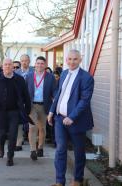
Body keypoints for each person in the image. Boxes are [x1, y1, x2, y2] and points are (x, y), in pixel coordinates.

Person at [47, 50, 94, 186]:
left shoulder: (86, 78)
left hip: (76, 121)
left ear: (80, 60)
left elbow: (85, 101)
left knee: (78, 151)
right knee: (60, 149)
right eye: (70, 59)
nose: (72, 62)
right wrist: (51, 111)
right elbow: (59, 95)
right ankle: (59, 182)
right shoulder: (64, 73)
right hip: (60, 119)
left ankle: (77, 180)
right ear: (66, 60)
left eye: (75, 59)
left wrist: (72, 117)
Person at [0, 58, 31, 166]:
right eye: (5, 65)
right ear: (2, 66)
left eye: (9, 65)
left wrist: (27, 110)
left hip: (14, 112)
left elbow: (26, 95)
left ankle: (10, 157)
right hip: (0, 111)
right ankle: (1, 146)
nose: (7, 66)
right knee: (1, 134)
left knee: (13, 135)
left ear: (13, 67)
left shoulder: (19, 79)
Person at [26, 56, 56, 160]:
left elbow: (54, 92)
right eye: (38, 63)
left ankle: (40, 147)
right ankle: (32, 150)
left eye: (42, 63)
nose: (39, 65)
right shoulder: (29, 76)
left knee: (42, 128)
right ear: (35, 64)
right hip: (32, 106)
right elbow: (25, 91)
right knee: (32, 127)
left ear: (45, 65)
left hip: (44, 105)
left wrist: (55, 102)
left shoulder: (50, 77)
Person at [14, 54, 34, 151]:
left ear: (29, 61)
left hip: (31, 100)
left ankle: (32, 144)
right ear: (20, 61)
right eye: (22, 61)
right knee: (19, 122)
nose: (24, 62)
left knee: (31, 122)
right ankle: (19, 142)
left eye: (26, 60)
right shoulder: (16, 73)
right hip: (19, 100)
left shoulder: (34, 71)